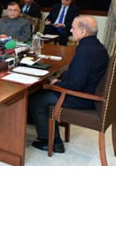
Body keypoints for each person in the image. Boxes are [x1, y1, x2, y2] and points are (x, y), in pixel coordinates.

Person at [28, 15, 109, 153]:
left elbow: (75, 85)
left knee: (37, 99)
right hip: (91, 92)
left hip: (84, 98)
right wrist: (60, 80)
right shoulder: (96, 46)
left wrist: (58, 83)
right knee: (40, 90)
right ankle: (41, 124)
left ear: (83, 31)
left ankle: (52, 142)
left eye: (73, 28)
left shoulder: (85, 50)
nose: (71, 30)